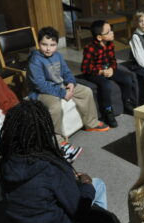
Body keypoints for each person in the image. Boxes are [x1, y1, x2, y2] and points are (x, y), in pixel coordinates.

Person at [0, 100, 108, 223]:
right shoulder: (51, 167)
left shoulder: (6, 161)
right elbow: (78, 211)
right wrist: (86, 184)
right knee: (97, 185)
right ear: (45, 130)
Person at [27, 26, 109, 157]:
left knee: (86, 91)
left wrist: (71, 82)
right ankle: (58, 141)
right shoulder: (35, 60)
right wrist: (62, 93)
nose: (48, 48)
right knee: (54, 106)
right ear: (39, 44)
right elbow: (40, 84)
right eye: (44, 44)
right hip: (42, 92)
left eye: (52, 45)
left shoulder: (58, 55)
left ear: (57, 44)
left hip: (60, 86)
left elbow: (66, 72)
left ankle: (91, 123)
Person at [81, 20, 135, 127]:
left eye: (111, 29)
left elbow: (113, 60)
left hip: (107, 70)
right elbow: (85, 67)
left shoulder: (110, 44)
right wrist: (100, 71)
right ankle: (108, 111)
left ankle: (126, 103)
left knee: (127, 78)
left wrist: (111, 68)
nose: (112, 32)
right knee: (106, 85)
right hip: (94, 73)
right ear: (99, 37)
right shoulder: (90, 48)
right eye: (108, 31)